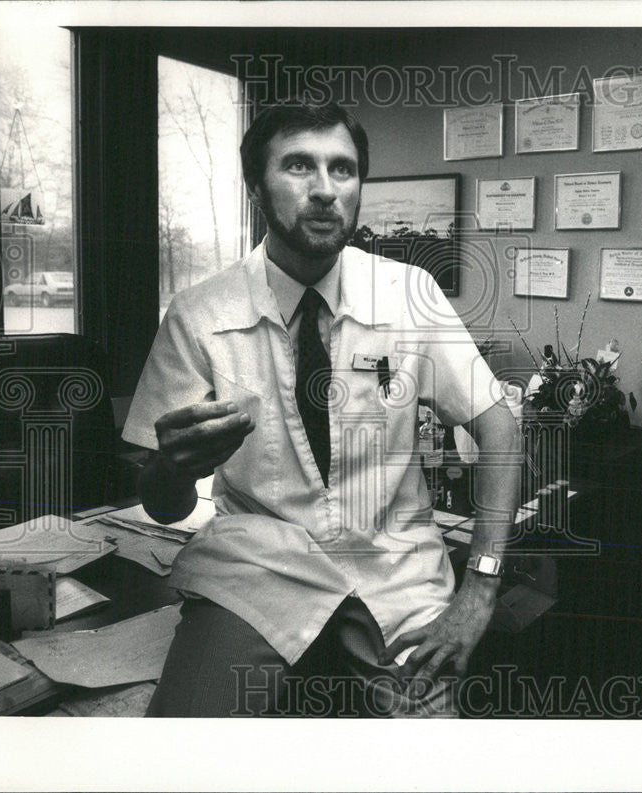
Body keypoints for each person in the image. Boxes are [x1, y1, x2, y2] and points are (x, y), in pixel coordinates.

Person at [122, 101, 522, 717]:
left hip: (395, 563)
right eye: (299, 167)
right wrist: (173, 469)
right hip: (257, 562)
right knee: (186, 739)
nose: (324, 190)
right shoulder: (199, 314)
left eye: (343, 169)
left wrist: (481, 590)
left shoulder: (409, 293)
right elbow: (164, 504)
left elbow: (498, 428)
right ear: (256, 187)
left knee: (429, 758)